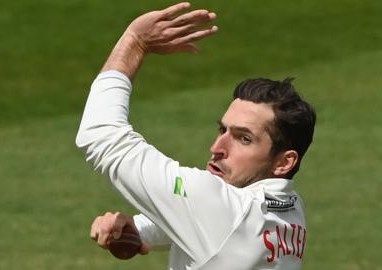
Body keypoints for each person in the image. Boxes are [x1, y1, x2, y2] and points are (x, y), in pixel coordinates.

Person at [76, 2, 316, 269]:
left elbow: (100, 134)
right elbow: (205, 217)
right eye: (222, 130)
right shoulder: (288, 208)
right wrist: (139, 230)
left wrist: (134, 42)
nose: (218, 147)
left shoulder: (222, 208)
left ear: (284, 162)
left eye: (244, 138)